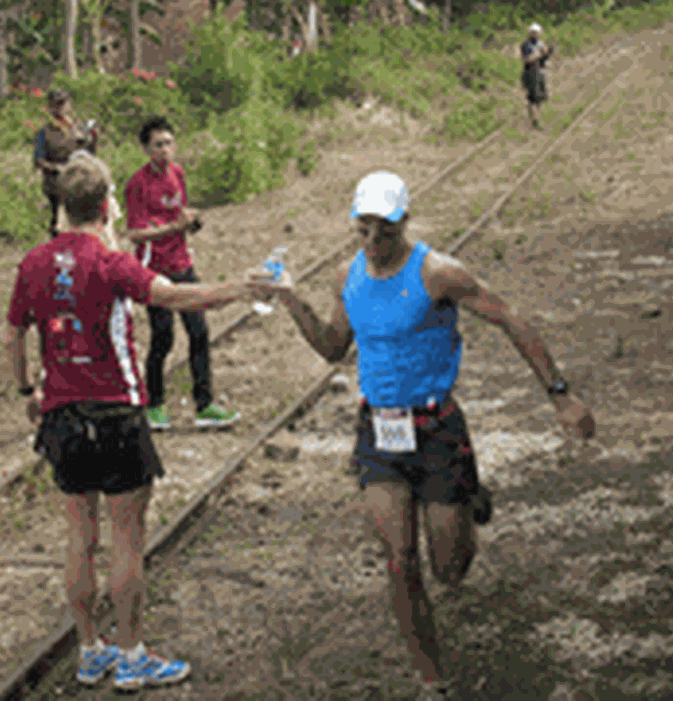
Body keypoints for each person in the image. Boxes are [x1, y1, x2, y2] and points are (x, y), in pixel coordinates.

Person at [248, 171, 597, 691]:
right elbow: (332, 348)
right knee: (398, 561)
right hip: (379, 432)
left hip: (435, 428)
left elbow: (511, 319)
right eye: (362, 227)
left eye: (383, 229)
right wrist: (292, 301)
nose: (372, 240)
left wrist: (560, 393)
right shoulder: (349, 276)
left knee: (449, 570)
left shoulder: (437, 273)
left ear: (404, 221)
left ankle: (468, 497)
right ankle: (432, 680)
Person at [7, 151, 255, 692]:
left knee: (80, 536)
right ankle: (133, 654)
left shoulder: (33, 262)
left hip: (62, 417)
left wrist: (29, 390)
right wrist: (243, 288)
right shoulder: (111, 263)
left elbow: (13, 332)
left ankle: (89, 650)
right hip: (117, 412)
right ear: (107, 206)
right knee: (126, 538)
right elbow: (173, 295)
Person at [125, 116, 240, 430]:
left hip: (181, 263)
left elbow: (180, 213)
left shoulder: (177, 174)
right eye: (158, 144)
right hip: (154, 269)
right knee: (163, 338)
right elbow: (134, 234)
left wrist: (191, 222)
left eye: (169, 142)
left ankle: (205, 405)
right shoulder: (137, 184)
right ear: (146, 149)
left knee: (200, 332)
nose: (165, 149)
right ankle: (155, 406)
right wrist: (172, 227)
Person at [34, 88, 99, 238]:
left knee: (80, 223)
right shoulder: (45, 132)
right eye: (57, 104)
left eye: (63, 103)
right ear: (50, 107)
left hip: (79, 181)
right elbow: (39, 161)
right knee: (58, 223)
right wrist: (57, 168)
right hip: (56, 184)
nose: (61, 107)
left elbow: (90, 153)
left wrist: (94, 138)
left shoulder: (77, 126)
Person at [521, 23, 554, 129]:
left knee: (540, 98)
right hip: (530, 73)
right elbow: (527, 59)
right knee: (532, 99)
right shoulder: (527, 45)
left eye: (538, 32)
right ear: (531, 33)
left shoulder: (540, 43)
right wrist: (539, 54)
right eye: (534, 33)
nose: (537, 34)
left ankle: (537, 119)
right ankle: (535, 121)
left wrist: (547, 53)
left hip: (539, 72)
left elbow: (544, 56)